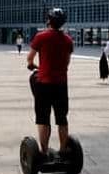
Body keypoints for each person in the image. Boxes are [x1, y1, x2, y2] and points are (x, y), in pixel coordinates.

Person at [26, 8, 74, 156]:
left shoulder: (41, 37)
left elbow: (29, 59)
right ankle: (63, 150)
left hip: (44, 82)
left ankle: (44, 151)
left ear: (48, 21)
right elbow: (67, 62)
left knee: (43, 117)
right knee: (61, 118)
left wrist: (32, 66)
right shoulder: (68, 40)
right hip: (61, 83)